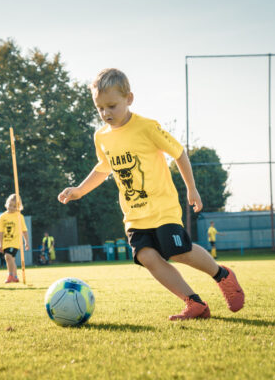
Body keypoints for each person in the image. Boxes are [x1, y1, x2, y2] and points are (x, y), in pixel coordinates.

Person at [58, 68, 244, 320]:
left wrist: (192, 188)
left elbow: (178, 152)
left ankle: (222, 275)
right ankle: (194, 303)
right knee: (146, 256)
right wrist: (80, 190)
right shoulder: (100, 137)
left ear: (129, 99)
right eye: (99, 108)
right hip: (134, 215)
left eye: (111, 106)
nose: (105, 113)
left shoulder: (147, 127)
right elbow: (103, 168)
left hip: (162, 208)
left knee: (177, 251)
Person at [0, 194, 30, 283]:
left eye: (14, 206)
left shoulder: (19, 216)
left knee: (8, 257)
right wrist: (0, 243)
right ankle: (15, 276)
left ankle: (10, 275)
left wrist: (26, 242)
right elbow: (0, 231)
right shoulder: (2, 217)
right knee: (10, 259)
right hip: (5, 242)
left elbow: (24, 230)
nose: (11, 208)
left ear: (18, 207)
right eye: (10, 205)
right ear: (6, 204)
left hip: (15, 242)